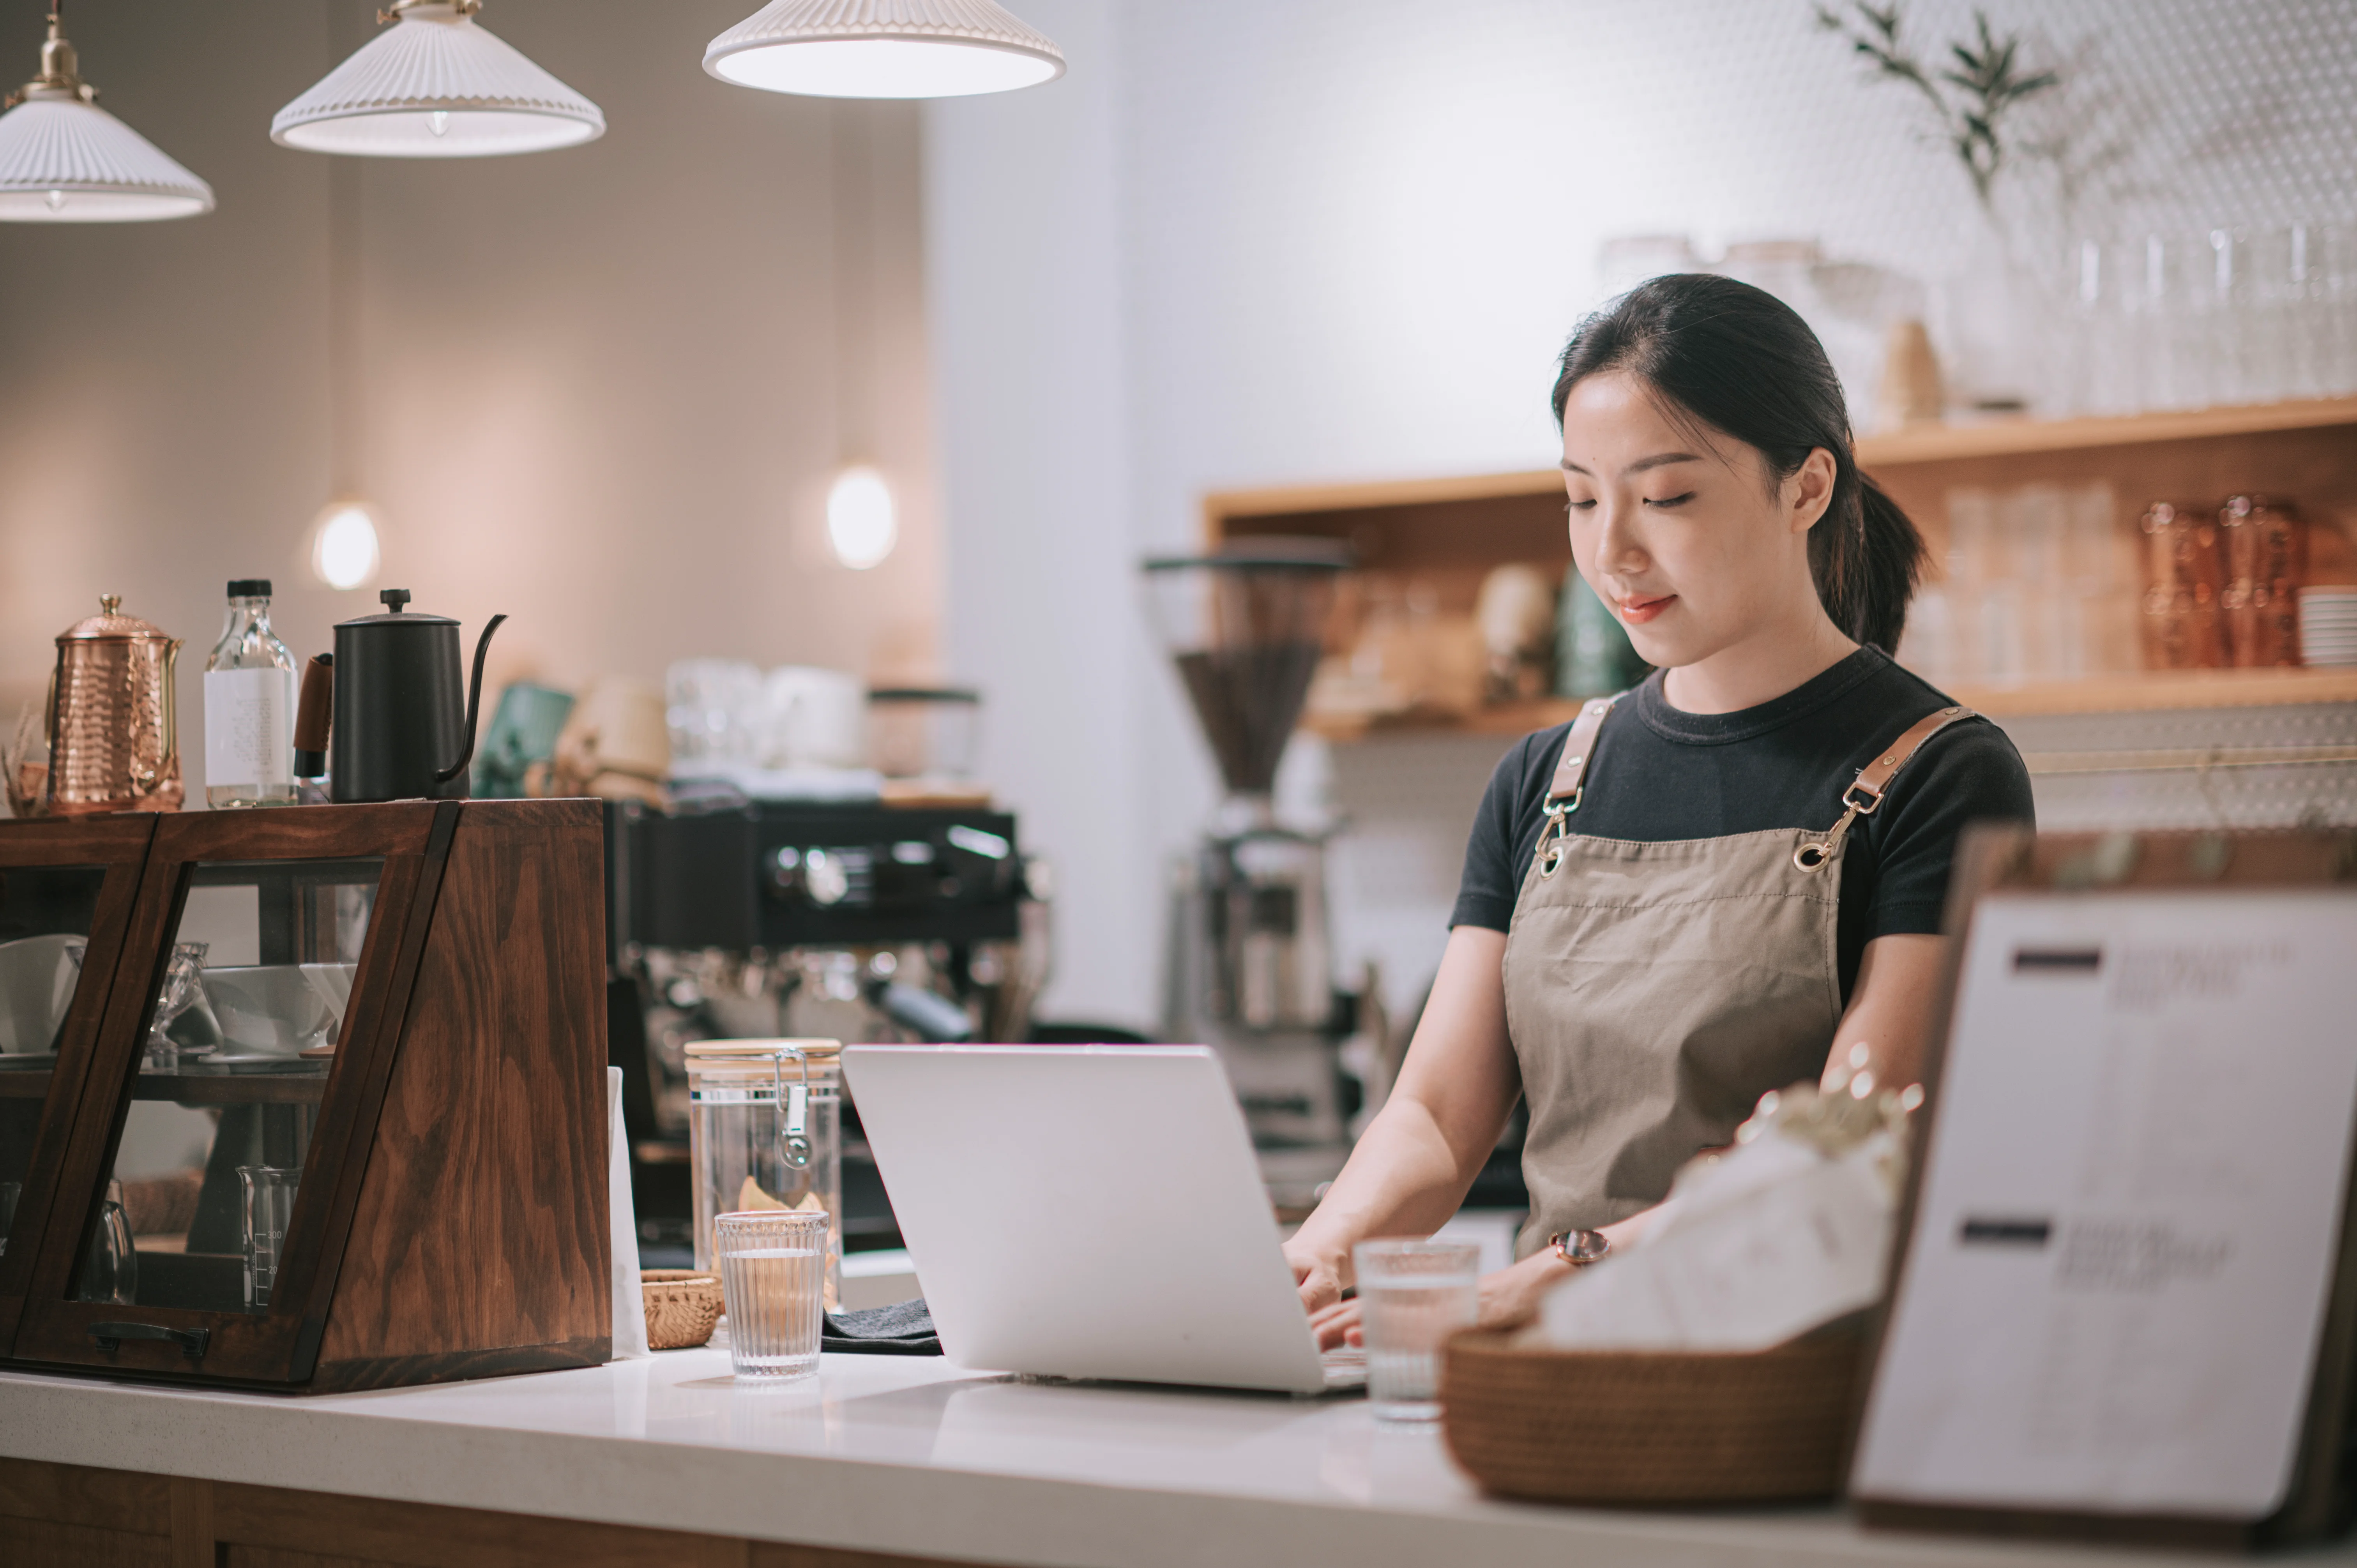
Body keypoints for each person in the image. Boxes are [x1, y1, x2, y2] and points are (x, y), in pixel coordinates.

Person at [1284, 273, 2034, 1346]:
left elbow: (1852, 1150)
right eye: (1584, 499)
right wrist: (1311, 1258)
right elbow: (1436, 1121)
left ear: (1806, 488)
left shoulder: (1943, 775)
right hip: (1544, 1387)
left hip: (1789, 1377)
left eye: (1668, 497)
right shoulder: (1544, 780)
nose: (1613, 553)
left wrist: (1539, 1281)